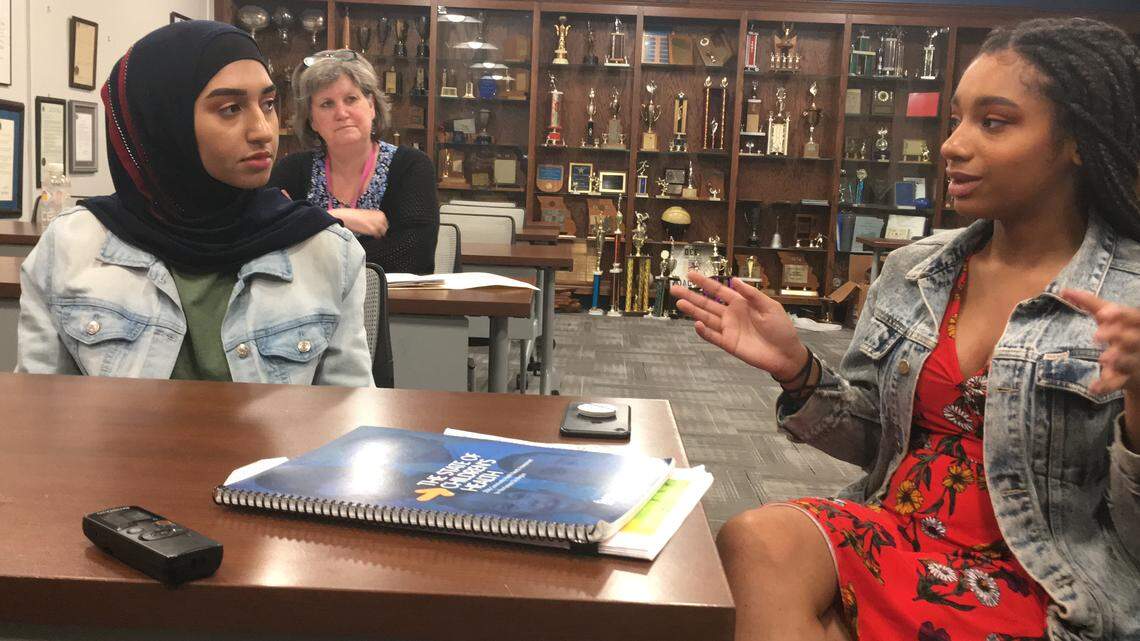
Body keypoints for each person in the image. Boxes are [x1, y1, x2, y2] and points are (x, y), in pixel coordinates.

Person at [672, 17, 1140, 641]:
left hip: (1045, 582)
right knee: (754, 541)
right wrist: (796, 368)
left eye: (993, 122)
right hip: (897, 530)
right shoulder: (916, 269)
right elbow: (878, 443)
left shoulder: (1130, 298)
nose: (953, 144)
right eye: (956, 119)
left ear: (1076, 140)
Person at [15, 21, 373, 387]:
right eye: (230, 109)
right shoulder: (71, 249)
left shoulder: (324, 250)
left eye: (267, 104)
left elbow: (349, 423)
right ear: (164, 122)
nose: (263, 130)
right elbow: (41, 421)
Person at [269, 50, 439, 275]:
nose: (341, 113)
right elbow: (264, 240)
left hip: (392, 307)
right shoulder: (291, 169)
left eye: (351, 99)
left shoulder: (412, 166)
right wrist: (336, 217)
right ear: (312, 121)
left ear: (372, 107)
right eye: (327, 104)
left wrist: (303, 233)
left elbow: (413, 256)